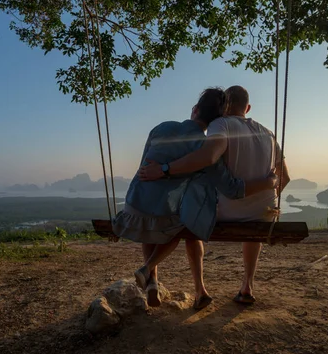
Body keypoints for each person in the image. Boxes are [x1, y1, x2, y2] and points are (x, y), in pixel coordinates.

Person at [113, 87, 277, 310]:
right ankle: (151, 268)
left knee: (157, 209)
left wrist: (160, 171)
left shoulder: (160, 128)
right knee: (183, 219)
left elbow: (145, 165)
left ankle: (154, 280)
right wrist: (269, 185)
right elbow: (230, 186)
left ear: (195, 109)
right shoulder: (206, 145)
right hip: (167, 215)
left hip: (133, 206)